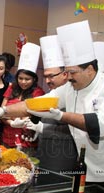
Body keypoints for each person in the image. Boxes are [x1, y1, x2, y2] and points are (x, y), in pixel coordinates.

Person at [0, 20, 104, 193]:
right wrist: (1, 111)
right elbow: (36, 103)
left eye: (72, 72)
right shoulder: (70, 88)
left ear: (90, 70)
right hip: (86, 168)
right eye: (66, 72)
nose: (67, 77)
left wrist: (61, 115)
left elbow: (102, 125)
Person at [26, 35, 77, 172]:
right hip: (44, 152)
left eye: (51, 76)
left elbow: (76, 128)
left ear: (65, 74)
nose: (47, 81)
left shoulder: (74, 95)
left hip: (63, 156)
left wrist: (43, 128)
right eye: (45, 76)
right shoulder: (51, 93)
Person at [1, 43, 45, 156]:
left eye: (27, 79)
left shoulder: (38, 93)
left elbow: (33, 116)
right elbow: (2, 111)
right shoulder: (11, 88)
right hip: (7, 137)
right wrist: (11, 123)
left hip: (26, 141)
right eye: (20, 78)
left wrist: (16, 118)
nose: (23, 82)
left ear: (34, 79)